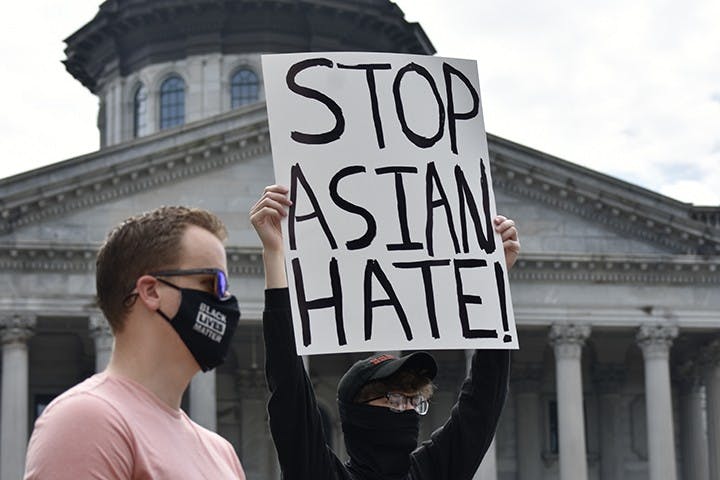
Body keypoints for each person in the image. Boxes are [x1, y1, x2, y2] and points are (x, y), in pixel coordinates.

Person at [250, 184, 520, 480]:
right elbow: (288, 386)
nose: (406, 410)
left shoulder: (433, 471)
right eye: (394, 399)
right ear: (357, 412)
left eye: (413, 400)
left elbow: (483, 401)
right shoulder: (321, 473)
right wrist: (273, 253)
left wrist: (494, 282)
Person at [24, 206, 246, 479]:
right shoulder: (86, 420)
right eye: (213, 283)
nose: (226, 300)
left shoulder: (222, 452)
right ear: (151, 291)